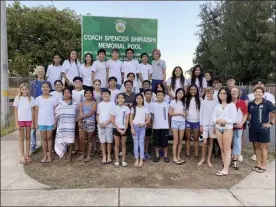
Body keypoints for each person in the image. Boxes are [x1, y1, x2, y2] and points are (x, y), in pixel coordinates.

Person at [248, 86, 275, 173]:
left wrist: (271, 123)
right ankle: (258, 164)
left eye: (260, 92)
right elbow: (248, 114)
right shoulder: (251, 103)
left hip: (263, 129)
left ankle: (263, 165)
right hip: (253, 129)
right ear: (254, 93)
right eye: (256, 92)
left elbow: (274, 112)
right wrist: (249, 122)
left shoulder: (267, 103)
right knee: (256, 147)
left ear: (263, 93)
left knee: (263, 147)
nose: (258, 93)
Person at [212, 87, 238, 176]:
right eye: (220, 93)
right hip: (219, 128)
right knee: (222, 148)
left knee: (227, 149)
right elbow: (213, 117)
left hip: (227, 129)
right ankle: (224, 167)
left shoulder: (231, 105)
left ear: (228, 95)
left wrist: (225, 121)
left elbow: (235, 119)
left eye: (224, 93)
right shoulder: (217, 105)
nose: (222, 95)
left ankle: (226, 169)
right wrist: (216, 121)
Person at [30, 66, 52, 153]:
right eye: (38, 71)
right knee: (34, 127)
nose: (40, 73)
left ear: (44, 72)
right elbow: (31, 95)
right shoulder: (33, 83)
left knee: (46, 127)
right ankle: (33, 145)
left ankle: (46, 145)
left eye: (42, 71)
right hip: (36, 106)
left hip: (45, 107)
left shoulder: (47, 82)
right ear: (36, 72)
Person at [34, 82, 58, 163]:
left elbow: (56, 112)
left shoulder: (53, 99)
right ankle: (45, 155)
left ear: (50, 88)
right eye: (43, 87)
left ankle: (50, 155)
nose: (45, 88)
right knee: (44, 139)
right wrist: (36, 122)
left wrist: (55, 122)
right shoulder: (38, 99)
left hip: (51, 122)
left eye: (47, 87)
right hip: (41, 122)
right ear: (41, 89)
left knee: (49, 138)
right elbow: (36, 112)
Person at [13, 83, 35, 164]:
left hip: (29, 120)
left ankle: (27, 155)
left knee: (28, 137)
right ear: (20, 90)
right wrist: (16, 123)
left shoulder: (31, 98)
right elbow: (15, 112)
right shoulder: (17, 98)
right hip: (20, 120)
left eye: (26, 89)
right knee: (21, 139)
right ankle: (22, 156)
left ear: (28, 90)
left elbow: (33, 111)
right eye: (23, 89)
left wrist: (33, 122)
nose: (25, 91)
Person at [54, 88, 78, 160]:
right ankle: (64, 153)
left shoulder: (74, 102)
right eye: (65, 92)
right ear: (63, 94)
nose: (67, 94)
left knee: (70, 140)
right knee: (62, 138)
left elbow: (74, 112)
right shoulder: (60, 102)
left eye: (68, 92)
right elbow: (57, 112)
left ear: (70, 94)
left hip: (71, 124)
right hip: (62, 124)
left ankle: (69, 155)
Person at [198, 87, 217, 167]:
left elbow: (217, 114)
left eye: (211, 93)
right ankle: (203, 158)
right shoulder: (203, 102)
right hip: (204, 124)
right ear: (205, 94)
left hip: (212, 125)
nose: (209, 94)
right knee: (205, 142)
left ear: (213, 93)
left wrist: (215, 125)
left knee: (211, 142)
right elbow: (201, 113)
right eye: (207, 93)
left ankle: (209, 159)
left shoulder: (216, 102)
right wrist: (201, 125)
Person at [130, 93, 151, 167]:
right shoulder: (133, 108)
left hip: (142, 128)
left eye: (140, 98)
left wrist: (144, 124)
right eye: (137, 98)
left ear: (143, 99)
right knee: (136, 143)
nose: (139, 99)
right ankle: (136, 159)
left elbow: (148, 119)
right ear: (135, 99)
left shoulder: (145, 108)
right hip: (134, 127)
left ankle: (141, 160)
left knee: (141, 143)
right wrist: (132, 128)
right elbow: (131, 119)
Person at [77, 89, 97, 162]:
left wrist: (80, 117)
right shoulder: (81, 103)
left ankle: (89, 155)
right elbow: (80, 113)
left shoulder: (94, 103)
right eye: (87, 93)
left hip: (91, 122)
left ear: (92, 95)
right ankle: (82, 154)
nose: (88, 94)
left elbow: (91, 113)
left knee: (90, 139)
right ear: (84, 95)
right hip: (83, 122)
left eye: (90, 93)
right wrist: (79, 121)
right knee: (81, 139)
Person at [111, 93, 130, 167]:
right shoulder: (114, 108)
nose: (121, 99)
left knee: (123, 144)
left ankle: (123, 160)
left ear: (124, 99)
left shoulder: (127, 108)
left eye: (122, 98)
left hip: (124, 129)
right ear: (117, 99)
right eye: (119, 98)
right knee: (116, 145)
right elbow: (112, 120)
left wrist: (125, 129)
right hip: (116, 128)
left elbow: (127, 120)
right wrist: (118, 129)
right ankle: (117, 160)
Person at [231, 86, 248, 170]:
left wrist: (241, 123)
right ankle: (227, 158)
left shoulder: (242, 102)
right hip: (228, 127)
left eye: (236, 91)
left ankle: (235, 160)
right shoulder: (228, 102)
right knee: (228, 143)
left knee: (237, 143)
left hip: (238, 127)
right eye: (232, 91)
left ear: (239, 93)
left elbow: (245, 114)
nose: (234, 93)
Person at [97, 89, 115, 164]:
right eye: (103, 94)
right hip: (101, 126)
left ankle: (109, 156)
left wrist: (106, 123)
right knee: (102, 141)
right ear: (101, 95)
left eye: (107, 94)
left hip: (109, 125)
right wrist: (99, 123)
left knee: (109, 141)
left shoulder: (113, 104)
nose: (105, 95)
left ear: (110, 95)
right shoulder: (100, 104)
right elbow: (97, 115)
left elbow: (113, 116)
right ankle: (104, 156)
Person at [151, 90, 170, 163]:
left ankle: (165, 156)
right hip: (156, 126)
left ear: (164, 96)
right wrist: (152, 125)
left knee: (165, 142)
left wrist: (168, 124)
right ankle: (157, 155)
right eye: (158, 95)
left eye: (161, 95)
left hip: (165, 126)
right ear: (156, 96)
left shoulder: (167, 104)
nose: (160, 96)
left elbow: (168, 116)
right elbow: (152, 116)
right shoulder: (153, 105)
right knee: (156, 142)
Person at [169, 88, 187, 165]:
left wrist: (185, 114)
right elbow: (170, 113)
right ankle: (174, 157)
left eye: (182, 93)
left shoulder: (184, 102)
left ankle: (178, 156)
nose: (180, 94)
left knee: (180, 140)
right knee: (175, 140)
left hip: (182, 122)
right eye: (179, 93)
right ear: (176, 94)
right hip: (175, 122)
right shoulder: (173, 101)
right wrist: (180, 113)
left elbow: (186, 112)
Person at [185, 85, 202, 159]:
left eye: (194, 89)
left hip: (197, 121)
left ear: (197, 90)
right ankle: (188, 153)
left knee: (196, 138)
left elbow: (202, 111)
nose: (193, 91)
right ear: (189, 90)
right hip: (188, 120)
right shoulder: (186, 99)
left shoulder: (200, 99)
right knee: (188, 138)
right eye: (191, 89)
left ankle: (196, 154)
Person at [72, 77, 85, 156]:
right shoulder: (71, 92)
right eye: (75, 82)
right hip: (73, 115)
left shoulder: (84, 92)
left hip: (82, 115)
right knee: (74, 132)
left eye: (79, 82)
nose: (77, 83)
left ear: (82, 83)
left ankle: (81, 148)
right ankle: (76, 147)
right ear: (73, 84)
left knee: (81, 134)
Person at [143, 89, 154, 159]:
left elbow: (153, 115)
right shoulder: (142, 103)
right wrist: (146, 123)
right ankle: (142, 152)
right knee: (143, 139)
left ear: (152, 95)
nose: (148, 95)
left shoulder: (153, 104)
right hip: (143, 124)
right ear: (144, 95)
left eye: (150, 94)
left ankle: (146, 151)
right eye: (147, 94)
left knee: (147, 138)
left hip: (150, 124)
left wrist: (151, 124)